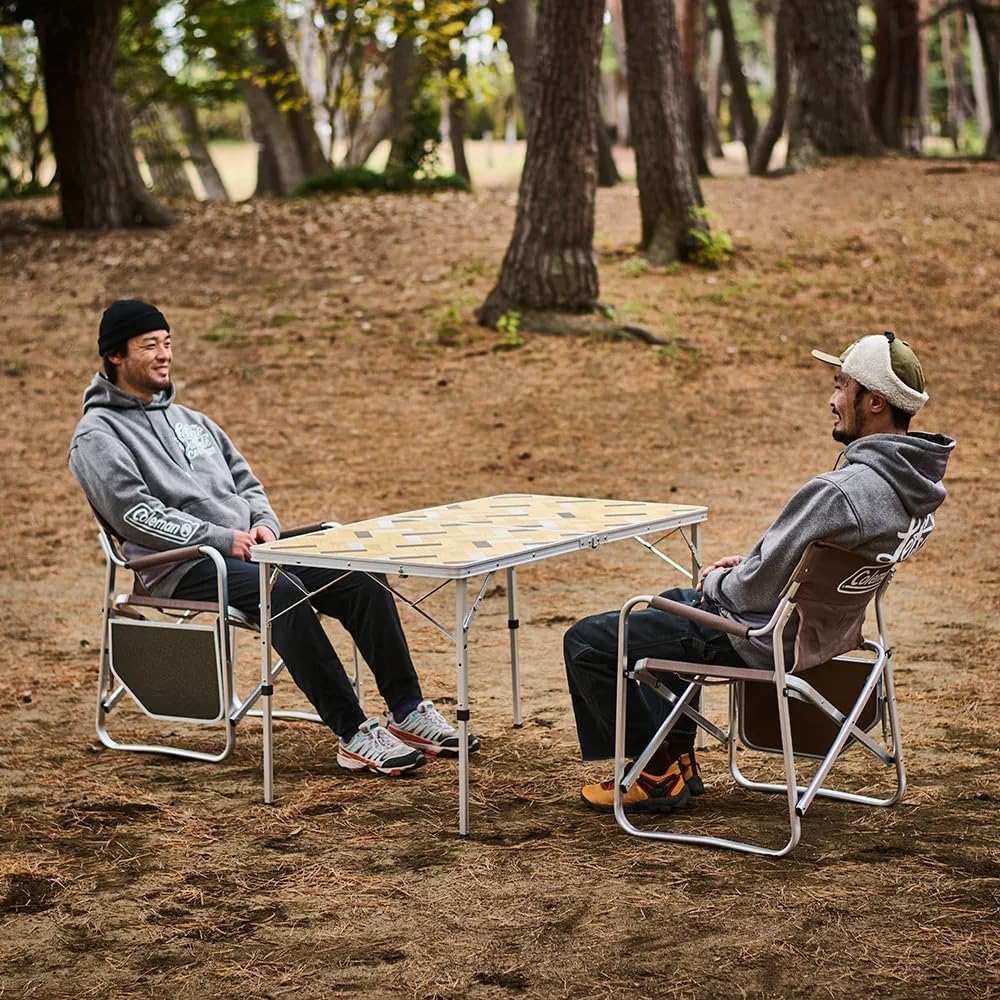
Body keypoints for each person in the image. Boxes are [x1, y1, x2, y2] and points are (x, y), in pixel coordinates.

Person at [70, 299, 479, 777]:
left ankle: (407, 711)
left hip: (251, 549)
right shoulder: (97, 436)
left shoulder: (192, 421)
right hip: (182, 563)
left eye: (167, 343)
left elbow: (246, 483)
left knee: (357, 576)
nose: (164, 355)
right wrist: (220, 538)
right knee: (281, 591)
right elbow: (136, 515)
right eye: (149, 346)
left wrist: (265, 523)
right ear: (115, 355)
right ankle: (353, 732)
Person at [564, 332, 954, 812]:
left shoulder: (841, 491)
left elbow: (752, 592)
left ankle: (655, 773)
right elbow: (799, 568)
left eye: (841, 385)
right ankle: (677, 757)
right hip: (820, 634)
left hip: (757, 638)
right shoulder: (917, 493)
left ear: (874, 402)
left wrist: (716, 580)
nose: (832, 400)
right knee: (671, 609)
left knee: (588, 641)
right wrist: (746, 567)